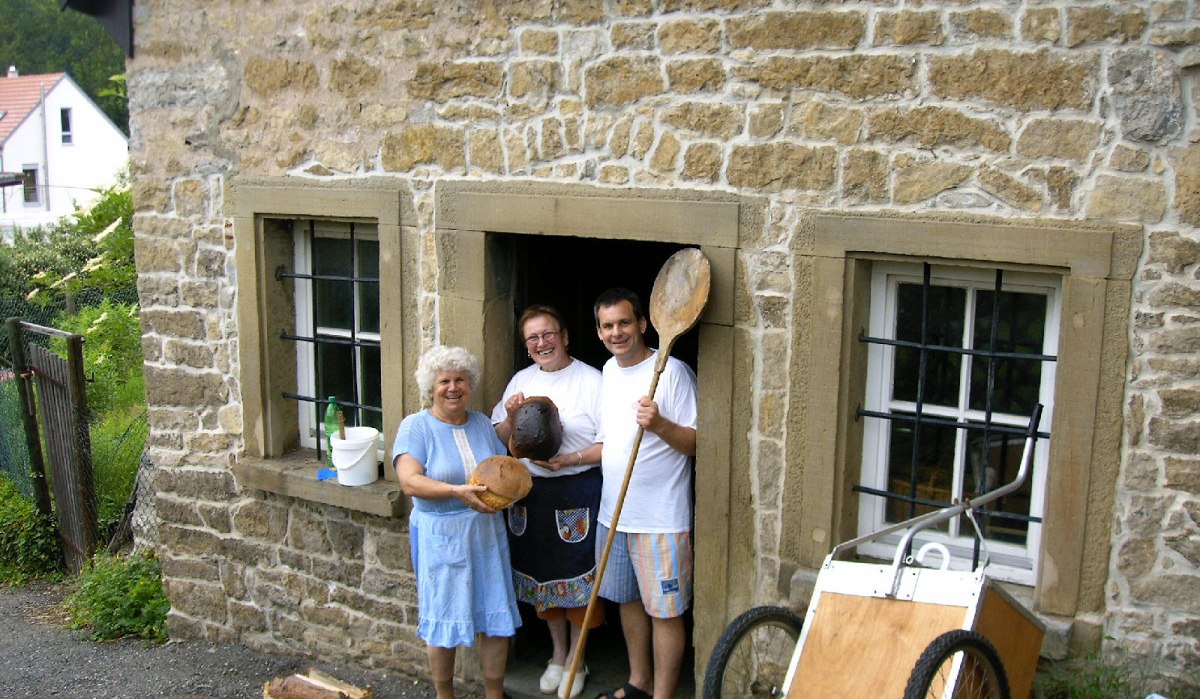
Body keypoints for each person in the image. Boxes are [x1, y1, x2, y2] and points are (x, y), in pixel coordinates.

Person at [394, 345, 521, 699]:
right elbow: (409, 481)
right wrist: (454, 490)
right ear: (430, 388)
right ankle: (444, 695)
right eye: (444, 381)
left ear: (470, 384)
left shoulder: (481, 423)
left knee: (495, 617)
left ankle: (494, 694)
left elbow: (503, 459)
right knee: (443, 619)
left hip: (485, 532)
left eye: (460, 380)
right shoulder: (416, 427)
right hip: (441, 534)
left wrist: (511, 419)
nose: (453, 388)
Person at [491, 305, 604, 699]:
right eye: (533, 338)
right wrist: (510, 413)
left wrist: (569, 459)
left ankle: (577, 659)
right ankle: (557, 655)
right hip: (531, 495)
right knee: (544, 583)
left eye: (548, 334)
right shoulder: (521, 380)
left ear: (566, 336)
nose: (542, 343)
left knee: (577, 582)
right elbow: (503, 437)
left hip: (576, 491)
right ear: (527, 346)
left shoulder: (593, 380)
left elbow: (610, 445)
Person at [591, 288, 698, 699]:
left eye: (623, 323)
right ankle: (639, 683)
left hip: (661, 520)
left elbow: (695, 443)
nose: (616, 332)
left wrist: (661, 426)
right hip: (613, 514)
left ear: (642, 324)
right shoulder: (608, 370)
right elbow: (609, 440)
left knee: (665, 613)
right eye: (607, 326)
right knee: (627, 603)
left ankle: (663, 696)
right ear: (599, 332)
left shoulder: (672, 372)